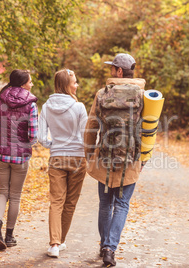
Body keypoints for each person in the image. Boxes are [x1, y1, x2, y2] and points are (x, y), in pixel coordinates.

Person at [84, 53, 145, 267]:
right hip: (131, 158)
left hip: (105, 157)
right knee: (122, 204)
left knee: (105, 203)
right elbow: (148, 130)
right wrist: (144, 158)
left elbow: (91, 126)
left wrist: (89, 154)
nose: (110, 71)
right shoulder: (143, 95)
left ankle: (103, 245)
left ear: (119, 71)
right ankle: (110, 248)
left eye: (112, 68)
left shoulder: (102, 94)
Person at [0, 69, 38, 250]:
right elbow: (33, 134)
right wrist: (28, 143)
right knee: (15, 196)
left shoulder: (0, 98)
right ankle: (9, 236)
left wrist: (2, 138)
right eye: (30, 82)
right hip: (20, 156)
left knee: (2, 193)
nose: (31, 85)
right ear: (23, 83)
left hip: (1, 154)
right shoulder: (31, 102)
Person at [38, 69, 88, 258]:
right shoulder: (79, 107)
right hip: (77, 158)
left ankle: (55, 244)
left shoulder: (47, 107)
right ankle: (60, 241)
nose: (77, 86)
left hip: (57, 158)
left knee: (56, 202)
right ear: (65, 85)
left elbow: (41, 137)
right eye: (74, 82)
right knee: (70, 202)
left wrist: (54, 145)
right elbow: (85, 135)